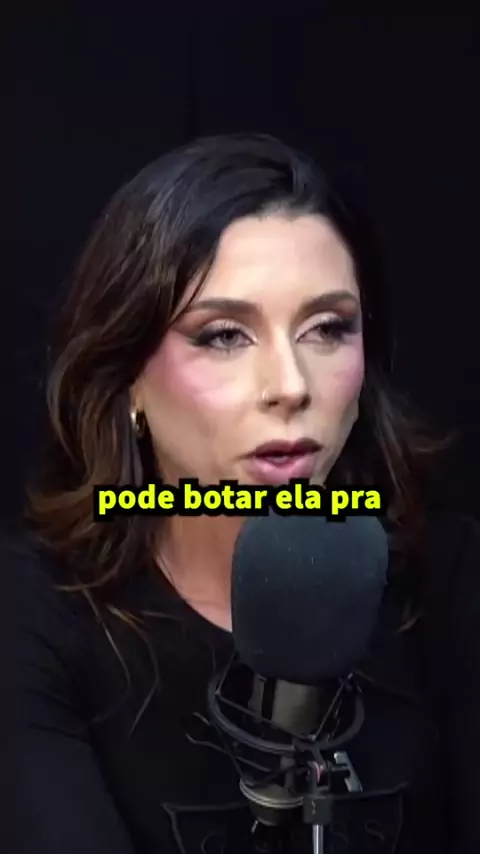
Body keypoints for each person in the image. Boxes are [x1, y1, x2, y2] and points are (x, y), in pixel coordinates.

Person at [5, 132, 480, 854]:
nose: (290, 386)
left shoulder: (450, 579)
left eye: (327, 328)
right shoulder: (34, 614)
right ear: (127, 377)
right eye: (224, 336)